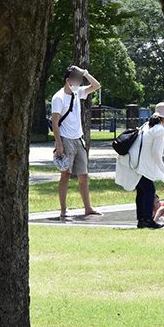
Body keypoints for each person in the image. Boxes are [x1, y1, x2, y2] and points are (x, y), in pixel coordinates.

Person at [115, 102, 164, 229]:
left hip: (134, 163)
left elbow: (151, 147)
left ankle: (142, 219)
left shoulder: (147, 125)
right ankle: (147, 219)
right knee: (149, 190)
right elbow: (156, 153)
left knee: (142, 191)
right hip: (141, 166)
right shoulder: (160, 129)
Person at [51, 65, 102, 220]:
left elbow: (96, 85)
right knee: (65, 174)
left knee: (83, 175)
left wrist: (85, 73)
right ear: (68, 80)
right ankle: (63, 210)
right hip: (65, 139)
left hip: (78, 139)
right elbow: (55, 123)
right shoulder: (58, 97)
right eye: (76, 80)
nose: (79, 83)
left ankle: (88, 208)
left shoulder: (77, 92)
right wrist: (59, 144)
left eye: (80, 81)